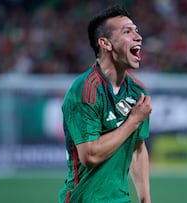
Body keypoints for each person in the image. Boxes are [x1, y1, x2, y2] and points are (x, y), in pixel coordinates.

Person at [58, 4, 152, 203]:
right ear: (106, 43)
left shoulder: (137, 91)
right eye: (127, 31)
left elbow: (137, 149)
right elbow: (90, 156)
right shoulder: (84, 90)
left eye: (137, 30)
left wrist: (145, 199)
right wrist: (133, 120)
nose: (138, 36)